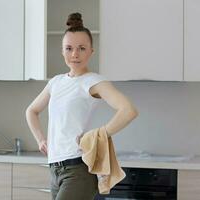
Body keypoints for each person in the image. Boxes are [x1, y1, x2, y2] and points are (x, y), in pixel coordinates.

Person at [26, 12, 138, 200]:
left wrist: (97, 135)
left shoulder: (93, 81)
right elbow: (31, 111)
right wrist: (40, 140)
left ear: (91, 51)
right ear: (62, 51)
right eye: (69, 48)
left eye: (82, 48)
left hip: (78, 169)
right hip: (54, 168)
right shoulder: (56, 82)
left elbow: (128, 110)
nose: (75, 54)